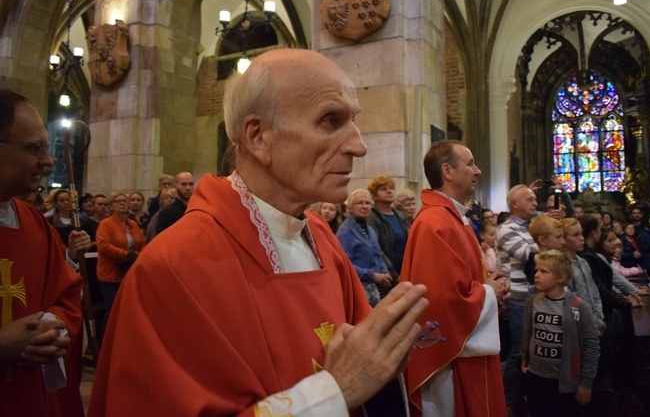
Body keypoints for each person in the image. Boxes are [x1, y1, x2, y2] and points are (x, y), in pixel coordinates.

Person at [88, 48, 429, 416]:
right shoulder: (172, 266)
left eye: (354, 121)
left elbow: (363, 356)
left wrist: (385, 352)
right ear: (258, 136)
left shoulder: (318, 235)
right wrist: (334, 391)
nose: (358, 146)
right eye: (331, 120)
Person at [400, 139, 508, 416]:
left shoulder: (452, 217)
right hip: (447, 357)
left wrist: (487, 288)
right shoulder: (435, 222)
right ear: (447, 171)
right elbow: (441, 299)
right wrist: (488, 294)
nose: (478, 171)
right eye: (470, 163)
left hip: (466, 344)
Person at [0, 89, 85, 416]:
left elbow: (67, 293)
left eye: (47, 148)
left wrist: (53, 326)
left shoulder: (34, 223)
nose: (48, 161)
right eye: (34, 148)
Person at [521, 250, 600, 416]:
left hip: (564, 383)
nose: (536, 275)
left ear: (561, 278)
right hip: (536, 376)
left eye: (544, 271)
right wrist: (525, 357)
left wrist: (586, 383)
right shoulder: (532, 301)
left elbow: (592, 345)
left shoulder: (578, 306)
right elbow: (527, 332)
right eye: (537, 270)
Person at [496, 184, 539, 414]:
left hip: (535, 295)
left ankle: (525, 396)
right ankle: (507, 401)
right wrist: (545, 238)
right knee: (519, 350)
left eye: (535, 199)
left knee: (532, 351)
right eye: (530, 199)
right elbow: (530, 256)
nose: (535, 203)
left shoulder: (532, 226)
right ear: (515, 204)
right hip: (519, 297)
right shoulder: (506, 229)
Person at [95, 192, 146, 343]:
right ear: (111, 206)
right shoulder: (106, 224)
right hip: (111, 274)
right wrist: (127, 255)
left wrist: (140, 254)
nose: (123, 203)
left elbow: (142, 241)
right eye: (118, 201)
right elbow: (103, 246)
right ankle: (104, 343)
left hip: (129, 273)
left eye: (125, 201)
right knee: (112, 312)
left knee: (129, 311)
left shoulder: (133, 223)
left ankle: (123, 342)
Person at [337, 189, 393, 305]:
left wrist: (385, 272)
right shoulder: (345, 231)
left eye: (367, 203)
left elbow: (379, 255)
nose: (364, 206)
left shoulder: (370, 230)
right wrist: (373, 275)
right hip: (360, 291)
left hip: (378, 290)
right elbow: (345, 265)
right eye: (359, 203)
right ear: (350, 207)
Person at [560, 218, 605, 333]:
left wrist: (599, 317)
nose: (582, 238)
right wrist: (594, 322)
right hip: (578, 326)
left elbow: (594, 292)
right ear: (563, 239)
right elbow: (570, 302)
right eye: (575, 235)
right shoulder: (563, 266)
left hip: (594, 320)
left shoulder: (583, 262)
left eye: (581, 233)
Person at [367, 175, 409, 279]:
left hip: (403, 269)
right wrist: (393, 274)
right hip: (386, 273)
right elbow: (376, 249)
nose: (389, 191)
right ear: (374, 195)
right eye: (384, 189)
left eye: (391, 188)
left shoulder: (400, 215)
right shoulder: (371, 217)